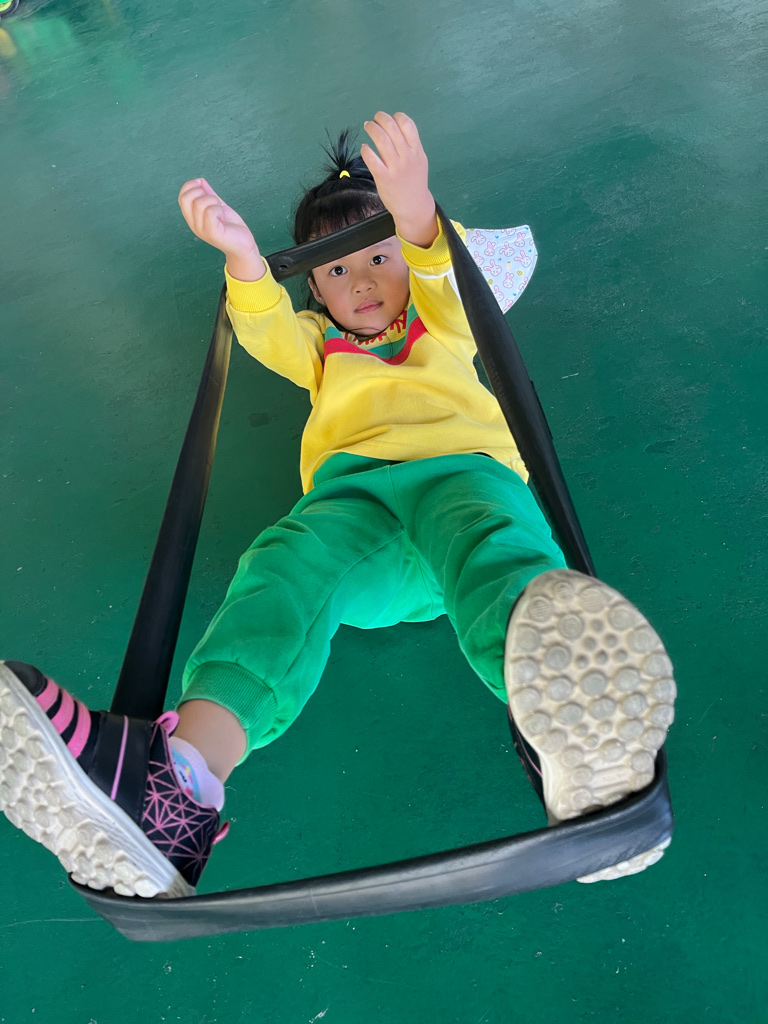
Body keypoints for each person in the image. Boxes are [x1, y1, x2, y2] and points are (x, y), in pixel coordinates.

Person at [0, 112, 675, 899]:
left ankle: (573, 740)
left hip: (461, 478)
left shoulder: (442, 324)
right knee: (283, 568)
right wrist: (244, 261)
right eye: (336, 272)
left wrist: (417, 215)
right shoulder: (320, 347)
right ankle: (175, 786)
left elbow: (449, 282)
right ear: (314, 290)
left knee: (497, 549)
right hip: (355, 512)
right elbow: (266, 332)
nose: (362, 282)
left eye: (380, 257)